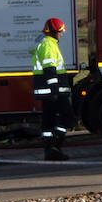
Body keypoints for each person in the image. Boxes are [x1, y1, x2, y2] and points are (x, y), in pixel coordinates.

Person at [32, 17, 76, 161]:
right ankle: (54, 146)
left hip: (49, 91)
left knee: (48, 121)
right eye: (60, 31)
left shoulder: (48, 44)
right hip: (52, 91)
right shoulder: (49, 45)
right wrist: (55, 89)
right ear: (54, 31)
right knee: (67, 117)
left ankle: (50, 149)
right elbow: (50, 69)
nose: (62, 34)